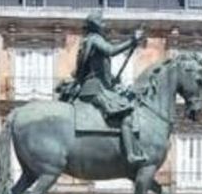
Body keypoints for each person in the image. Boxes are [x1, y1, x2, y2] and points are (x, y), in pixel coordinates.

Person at [56, 10, 148, 165]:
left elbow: (96, 69)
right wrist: (132, 40)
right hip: (95, 89)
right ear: (96, 26)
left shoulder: (88, 41)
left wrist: (112, 80)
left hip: (96, 86)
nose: (105, 25)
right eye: (102, 22)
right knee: (126, 115)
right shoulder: (95, 39)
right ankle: (131, 154)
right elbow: (111, 51)